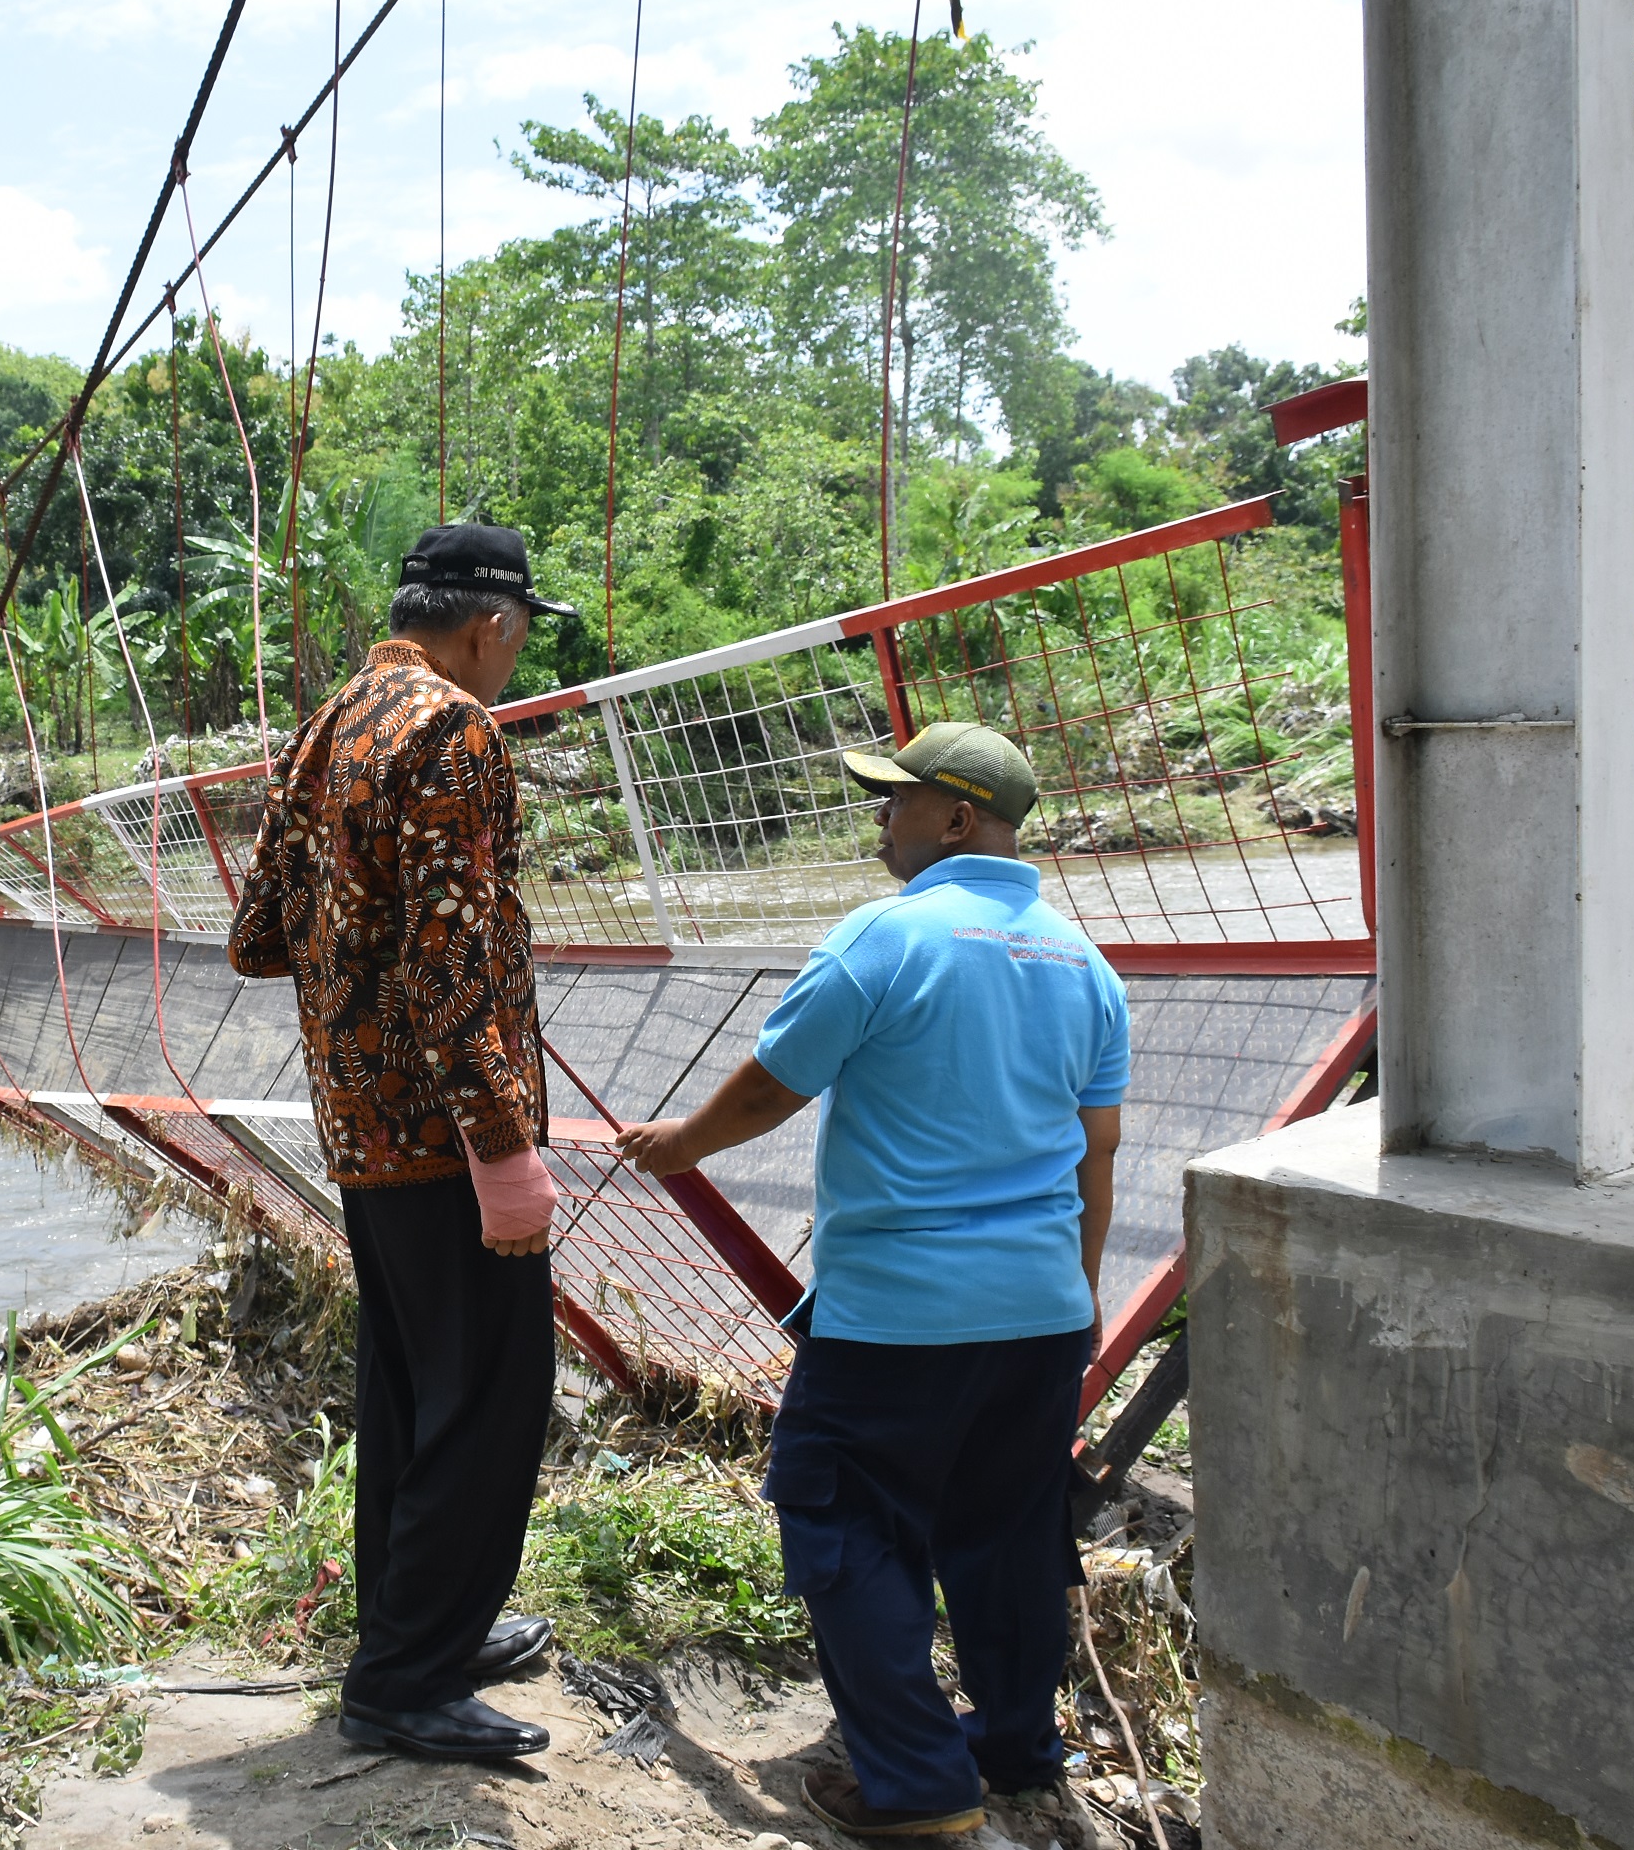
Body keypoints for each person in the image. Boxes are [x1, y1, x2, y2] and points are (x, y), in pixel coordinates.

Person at [615, 722, 1129, 1843]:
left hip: (897, 1316)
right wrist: (1079, 1298)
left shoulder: (889, 939)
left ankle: (917, 1786)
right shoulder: (1082, 962)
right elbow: (1098, 1148)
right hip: (1040, 1313)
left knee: (843, 1515)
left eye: (897, 800)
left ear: (957, 818)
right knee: (1005, 1529)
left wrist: (681, 1146)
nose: (879, 819)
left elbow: (772, 1083)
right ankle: (1015, 1750)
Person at [226, 522, 581, 1763]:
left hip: (362, 1124)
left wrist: (349, 981)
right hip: (443, 1134)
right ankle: (406, 1680)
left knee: (412, 1388)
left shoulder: (340, 718)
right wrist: (505, 1147)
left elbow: (258, 932)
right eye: (523, 633)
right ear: (490, 623)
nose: (518, 658)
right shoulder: (454, 729)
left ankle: (418, 1628)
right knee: (489, 1398)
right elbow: (452, 960)